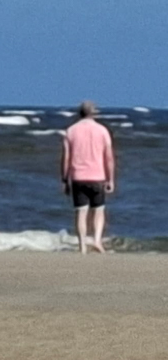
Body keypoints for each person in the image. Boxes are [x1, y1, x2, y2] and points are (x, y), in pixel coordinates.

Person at [61, 101, 115, 254]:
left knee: (81, 212)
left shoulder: (71, 131)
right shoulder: (102, 131)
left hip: (78, 177)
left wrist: (65, 179)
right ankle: (97, 240)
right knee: (99, 210)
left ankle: (82, 245)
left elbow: (66, 158)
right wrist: (110, 179)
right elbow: (109, 157)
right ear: (94, 113)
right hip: (98, 176)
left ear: (80, 113)